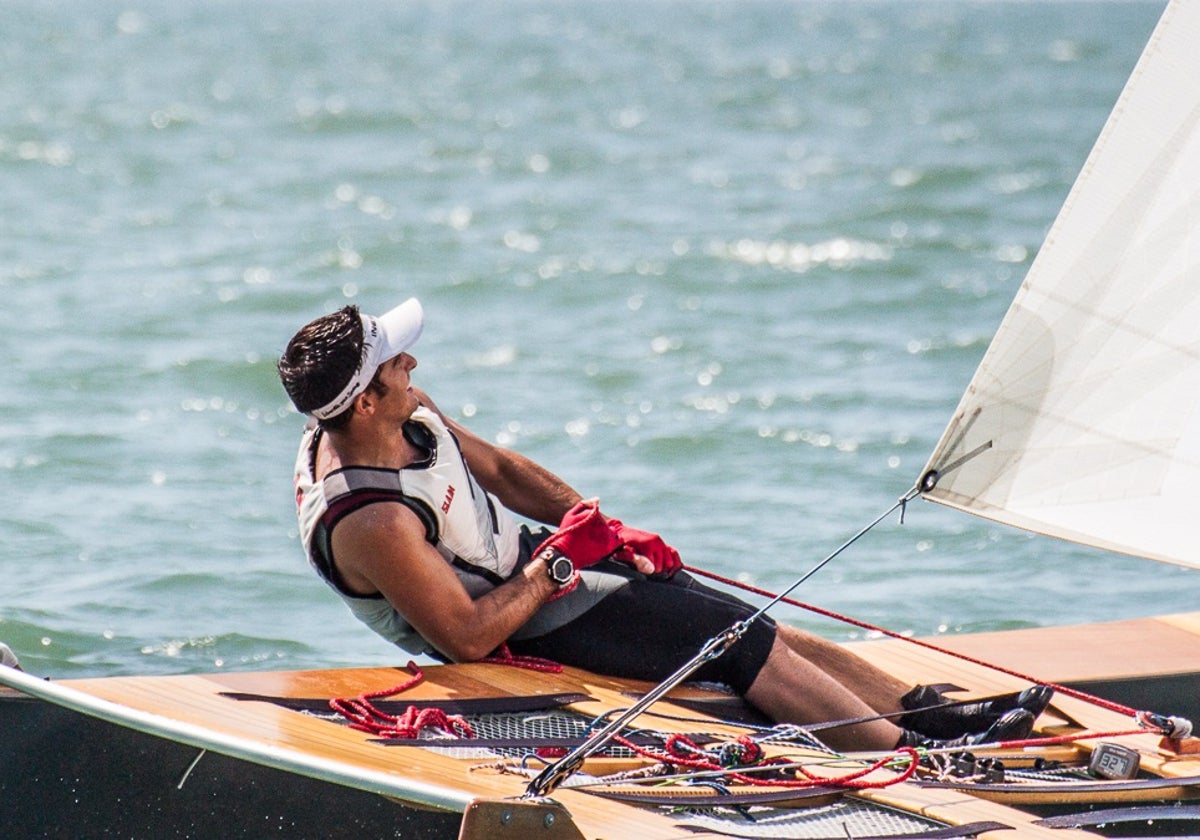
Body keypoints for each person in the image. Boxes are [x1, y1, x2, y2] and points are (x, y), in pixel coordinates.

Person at [277, 297, 1050, 752]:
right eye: (395, 365)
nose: (411, 365)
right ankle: (914, 755)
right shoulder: (368, 519)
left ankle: (923, 710)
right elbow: (467, 637)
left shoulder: (404, 411)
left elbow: (504, 472)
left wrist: (597, 528)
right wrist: (560, 566)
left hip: (536, 572)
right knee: (734, 646)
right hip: (517, 625)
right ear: (365, 404)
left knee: (738, 618)